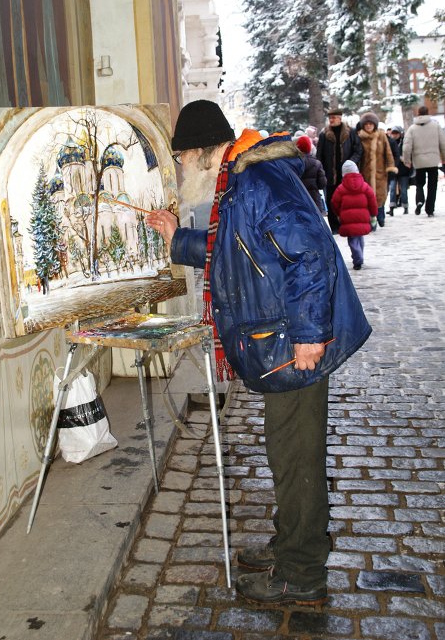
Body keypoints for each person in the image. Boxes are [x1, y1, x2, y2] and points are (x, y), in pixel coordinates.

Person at [146, 100, 371, 607]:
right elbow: (235, 247)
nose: (181, 168)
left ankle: (301, 571)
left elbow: (310, 252)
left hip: (296, 343)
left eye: (182, 157)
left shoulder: (257, 181)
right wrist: (175, 239)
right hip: (284, 342)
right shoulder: (239, 180)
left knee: (296, 458)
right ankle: (292, 543)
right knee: (286, 451)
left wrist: (310, 336)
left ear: (204, 151)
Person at [316, 107, 363, 234]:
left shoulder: (350, 132)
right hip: (330, 174)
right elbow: (319, 155)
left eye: (334, 118)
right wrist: (320, 171)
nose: (332, 120)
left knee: (346, 201)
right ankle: (334, 226)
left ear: (340, 118)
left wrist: (351, 162)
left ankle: (346, 223)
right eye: (330, 118)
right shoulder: (324, 134)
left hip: (346, 174)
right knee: (331, 200)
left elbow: (358, 150)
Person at [331, 160, 378, 270]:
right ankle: (360, 254)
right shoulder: (365, 186)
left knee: (352, 239)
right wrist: (373, 214)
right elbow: (372, 201)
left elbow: (334, 202)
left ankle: (357, 257)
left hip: (348, 219)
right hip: (362, 217)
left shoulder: (341, 188)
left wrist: (338, 213)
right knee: (360, 237)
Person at [402, 105, 445, 217]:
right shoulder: (435, 126)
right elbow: (443, 144)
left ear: (418, 114)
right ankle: (430, 209)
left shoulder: (412, 128)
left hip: (419, 161)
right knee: (432, 185)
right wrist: (444, 158)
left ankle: (420, 200)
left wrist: (407, 160)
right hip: (433, 160)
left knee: (420, 184)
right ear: (428, 113)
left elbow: (406, 146)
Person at [357, 112, 396, 227]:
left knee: (380, 196)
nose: (369, 126)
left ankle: (381, 216)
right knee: (367, 197)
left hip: (380, 172)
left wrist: (390, 166)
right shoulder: (360, 137)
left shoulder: (381, 135)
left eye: (371, 124)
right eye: (366, 124)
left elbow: (388, 152)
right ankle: (371, 219)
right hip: (365, 173)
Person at [295, 135, 327, 212]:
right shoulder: (317, 163)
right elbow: (322, 184)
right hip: (314, 201)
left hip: (298, 201)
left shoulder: (293, 164)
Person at [387, 126, 411, 215]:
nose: (394, 135)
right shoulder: (389, 143)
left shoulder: (405, 142)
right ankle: (392, 207)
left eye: (396, 133)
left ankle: (405, 207)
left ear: (400, 133)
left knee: (403, 189)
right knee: (392, 189)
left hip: (403, 169)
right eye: (393, 133)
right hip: (393, 169)